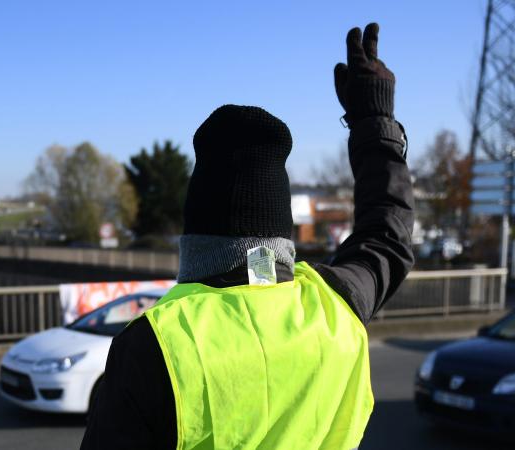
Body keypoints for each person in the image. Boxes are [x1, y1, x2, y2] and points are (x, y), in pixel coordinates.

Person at [82, 23, 413, 449]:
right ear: (281, 231)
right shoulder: (337, 305)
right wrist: (375, 121)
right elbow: (388, 235)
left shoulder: (156, 342)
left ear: (196, 236)